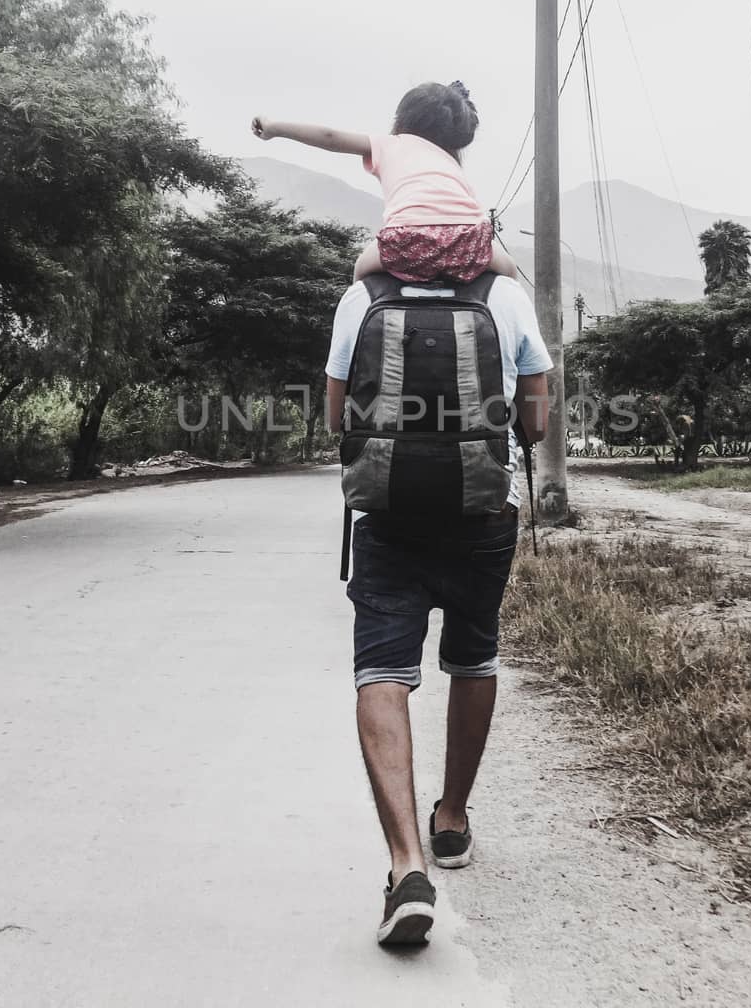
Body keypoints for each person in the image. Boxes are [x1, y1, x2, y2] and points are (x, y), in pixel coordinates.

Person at [323, 271, 552, 946]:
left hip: (388, 514)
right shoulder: (505, 295)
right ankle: (450, 822)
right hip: (484, 512)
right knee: (474, 655)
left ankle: (405, 868)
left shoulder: (362, 298)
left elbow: (337, 417)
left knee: (382, 673)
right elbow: (535, 419)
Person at [251, 81, 521, 284]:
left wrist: (274, 127)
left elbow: (329, 137)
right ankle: (528, 351)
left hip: (406, 241)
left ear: (402, 119)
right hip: (469, 241)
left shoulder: (390, 144)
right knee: (509, 272)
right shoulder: (451, 162)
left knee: (360, 275)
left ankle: (351, 349)